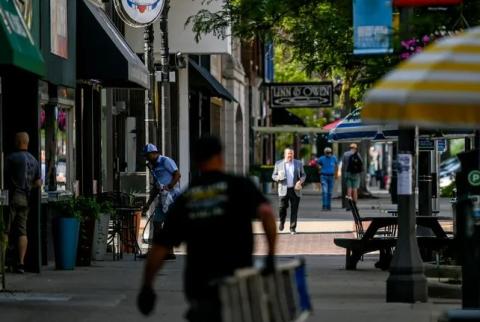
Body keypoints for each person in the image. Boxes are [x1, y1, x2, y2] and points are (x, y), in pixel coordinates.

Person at [137, 136, 277, 321]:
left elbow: (160, 247)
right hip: (238, 279)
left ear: (195, 161)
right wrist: (270, 256)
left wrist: (147, 286)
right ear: (220, 156)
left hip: (200, 285)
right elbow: (267, 214)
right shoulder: (240, 185)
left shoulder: (187, 199)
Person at [3, 132, 41, 273]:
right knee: (22, 231)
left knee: (5, 229)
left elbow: (3, 176)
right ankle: (21, 263)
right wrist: (30, 186)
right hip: (26, 199)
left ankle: (1, 262)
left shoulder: (11, 158)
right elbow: (38, 182)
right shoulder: (34, 160)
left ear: (18, 141)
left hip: (12, 198)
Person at [142, 143, 181, 260]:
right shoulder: (153, 167)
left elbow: (177, 174)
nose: (147, 159)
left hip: (172, 197)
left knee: (167, 224)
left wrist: (169, 186)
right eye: (145, 156)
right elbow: (156, 187)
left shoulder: (165, 161)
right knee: (157, 223)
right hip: (163, 198)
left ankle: (168, 251)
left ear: (155, 154)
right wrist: (148, 204)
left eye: (148, 156)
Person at [272, 148, 306, 234]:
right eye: (288, 154)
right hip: (283, 189)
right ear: (285, 154)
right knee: (282, 208)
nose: (290, 156)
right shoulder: (278, 163)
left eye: (291, 154)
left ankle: (292, 228)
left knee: (294, 209)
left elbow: (303, 175)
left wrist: (300, 181)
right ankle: (282, 222)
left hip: (295, 190)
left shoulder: (298, 163)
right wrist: (278, 178)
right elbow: (273, 175)